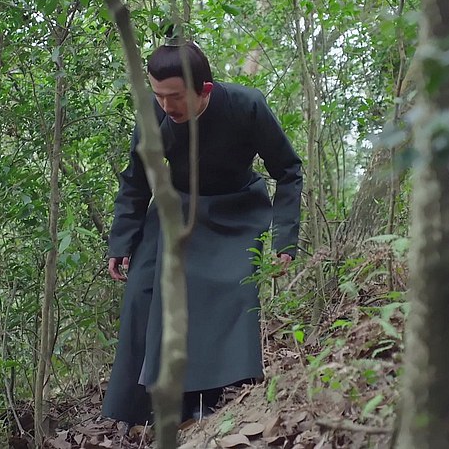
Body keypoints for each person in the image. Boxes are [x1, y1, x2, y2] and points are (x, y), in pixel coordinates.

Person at [100, 40, 303, 424]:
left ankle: (208, 395)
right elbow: (136, 182)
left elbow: (288, 170)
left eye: (175, 96)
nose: (166, 105)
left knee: (225, 290)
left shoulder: (247, 106)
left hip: (235, 210)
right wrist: (122, 240)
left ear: (204, 89)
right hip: (176, 207)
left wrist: (284, 238)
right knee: (143, 289)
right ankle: (142, 407)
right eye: (158, 95)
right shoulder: (153, 116)